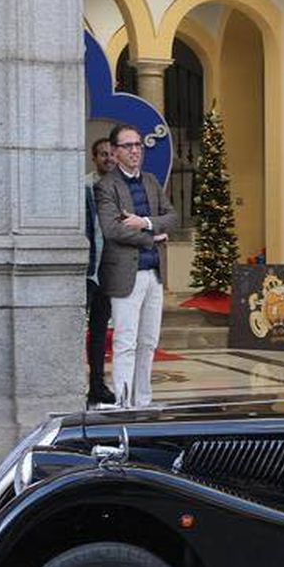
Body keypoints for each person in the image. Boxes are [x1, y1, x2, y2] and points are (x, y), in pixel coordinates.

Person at [94, 123, 177, 408]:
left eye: (138, 145)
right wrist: (153, 237)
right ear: (115, 152)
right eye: (128, 146)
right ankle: (124, 403)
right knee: (126, 342)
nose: (135, 151)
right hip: (125, 275)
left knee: (148, 342)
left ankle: (143, 400)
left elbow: (172, 217)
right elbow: (112, 229)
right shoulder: (106, 186)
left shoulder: (151, 181)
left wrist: (145, 223)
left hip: (154, 274)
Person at [84, 130, 116, 406]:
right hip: (87, 270)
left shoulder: (122, 189)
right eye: (103, 154)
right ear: (94, 158)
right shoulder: (85, 187)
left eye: (111, 153)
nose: (108, 158)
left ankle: (97, 384)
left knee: (99, 332)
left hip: (109, 271)